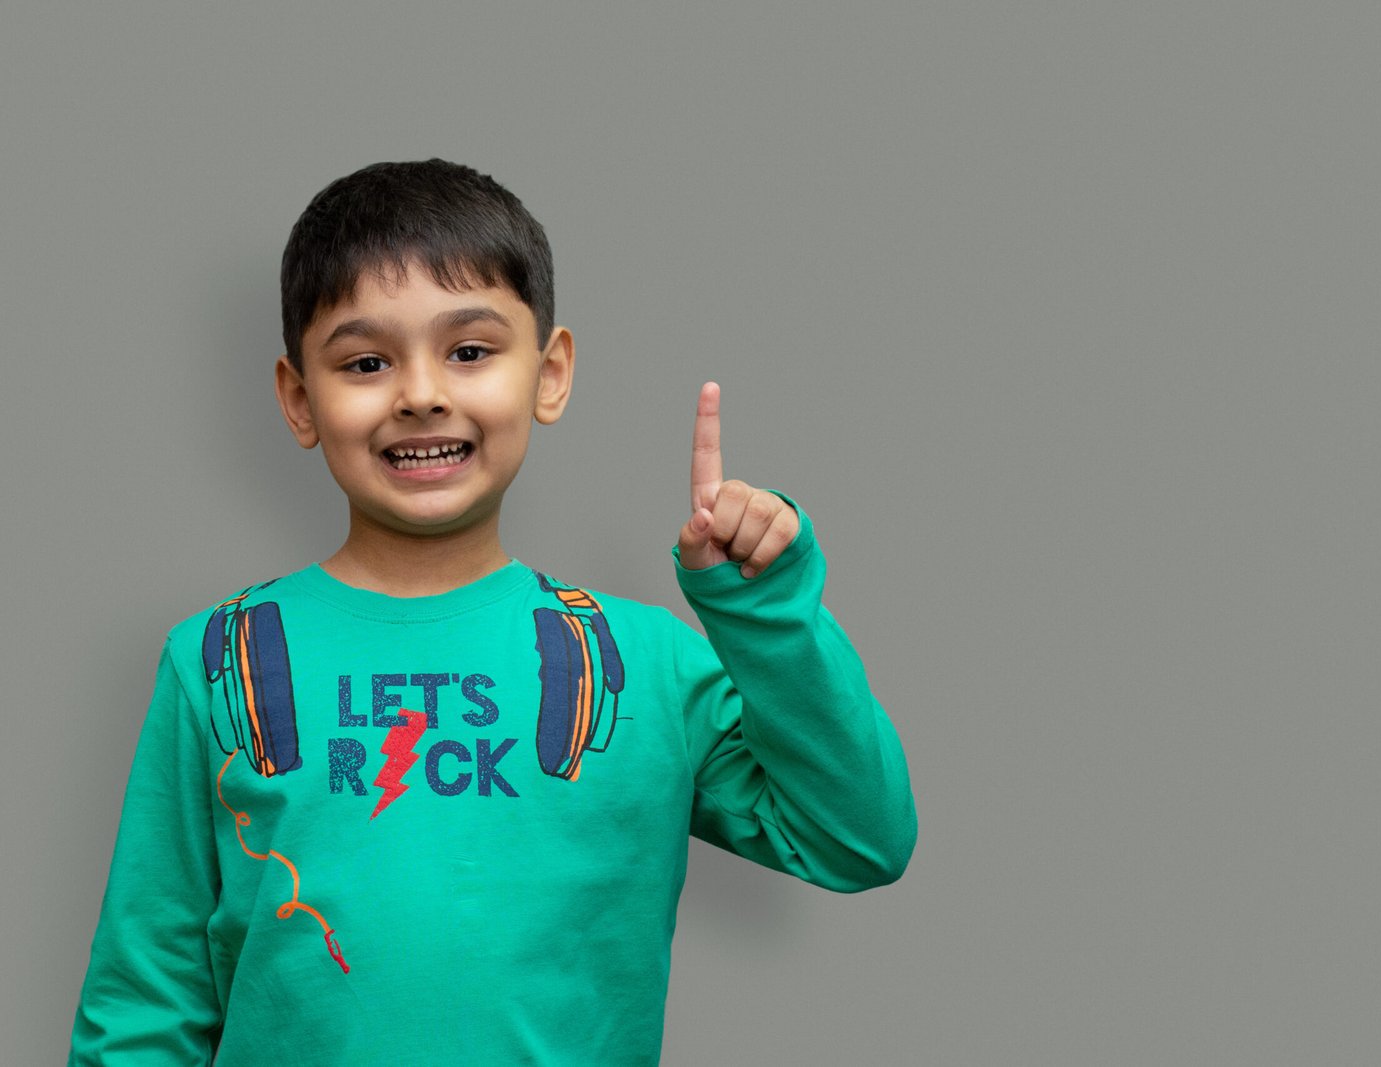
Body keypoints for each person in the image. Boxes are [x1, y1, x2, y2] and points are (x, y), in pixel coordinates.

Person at [68, 159, 916, 1065]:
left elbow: (858, 837)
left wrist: (762, 611)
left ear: (549, 375)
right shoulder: (221, 657)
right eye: (365, 361)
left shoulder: (643, 665)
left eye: (469, 351)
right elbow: (146, 997)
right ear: (296, 397)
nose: (422, 393)